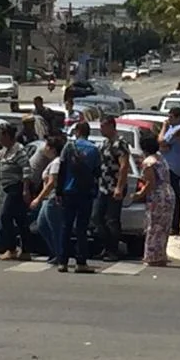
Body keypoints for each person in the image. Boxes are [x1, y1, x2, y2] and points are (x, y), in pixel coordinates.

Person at [57, 121, 100, 273]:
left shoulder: (68, 147)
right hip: (85, 193)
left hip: (69, 191)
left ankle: (62, 261)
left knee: (66, 227)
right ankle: (81, 262)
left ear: (77, 131)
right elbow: (97, 172)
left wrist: (58, 192)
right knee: (82, 228)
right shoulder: (94, 149)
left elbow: (61, 170)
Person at [0, 123, 31, 260]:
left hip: (16, 187)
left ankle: (11, 248)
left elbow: (26, 169)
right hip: (7, 187)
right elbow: (0, 164)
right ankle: (26, 249)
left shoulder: (18, 150)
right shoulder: (6, 150)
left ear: (7, 136)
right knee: (20, 219)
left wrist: (26, 190)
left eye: (1, 137)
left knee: (6, 216)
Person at [94, 115, 131, 261]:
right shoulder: (105, 143)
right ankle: (106, 246)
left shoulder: (119, 144)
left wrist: (119, 187)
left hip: (114, 187)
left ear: (111, 126)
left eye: (103, 126)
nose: (101, 129)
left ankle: (113, 251)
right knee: (97, 217)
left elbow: (124, 166)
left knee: (112, 220)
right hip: (103, 187)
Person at [138, 133, 175, 266]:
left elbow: (150, 183)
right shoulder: (161, 158)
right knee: (163, 227)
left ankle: (152, 257)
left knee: (153, 226)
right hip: (168, 193)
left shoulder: (148, 162)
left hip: (157, 196)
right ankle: (161, 256)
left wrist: (139, 194)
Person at [32, 136, 66, 263]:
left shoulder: (57, 162)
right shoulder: (52, 162)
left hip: (52, 199)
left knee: (55, 228)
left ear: (52, 149)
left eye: (46, 146)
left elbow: (51, 183)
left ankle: (59, 254)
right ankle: (55, 252)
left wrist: (38, 199)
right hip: (48, 198)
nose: (44, 149)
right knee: (42, 225)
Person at [159, 107, 180, 236]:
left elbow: (162, 140)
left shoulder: (177, 129)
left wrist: (164, 127)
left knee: (174, 197)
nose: (168, 119)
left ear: (177, 117)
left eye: (171, 117)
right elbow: (162, 146)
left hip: (174, 168)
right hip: (166, 166)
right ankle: (168, 223)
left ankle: (174, 226)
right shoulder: (172, 128)